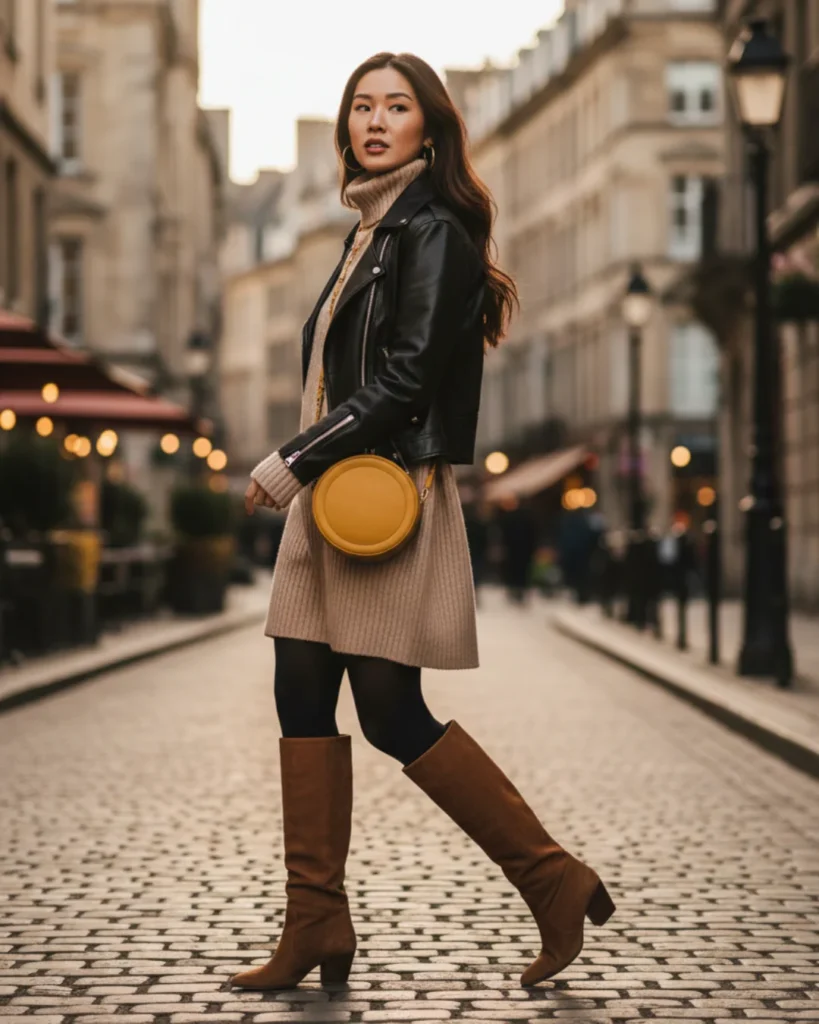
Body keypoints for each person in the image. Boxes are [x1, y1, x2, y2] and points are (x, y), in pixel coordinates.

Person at [231, 52, 615, 994]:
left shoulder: (431, 229)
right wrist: (310, 467)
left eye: (395, 106)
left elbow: (404, 381)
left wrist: (295, 458)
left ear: (429, 128)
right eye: (360, 106)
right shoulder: (368, 230)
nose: (373, 121)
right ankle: (315, 920)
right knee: (298, 694)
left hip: (379, 498)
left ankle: (550, 878)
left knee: (391, 710)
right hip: (333, 498)